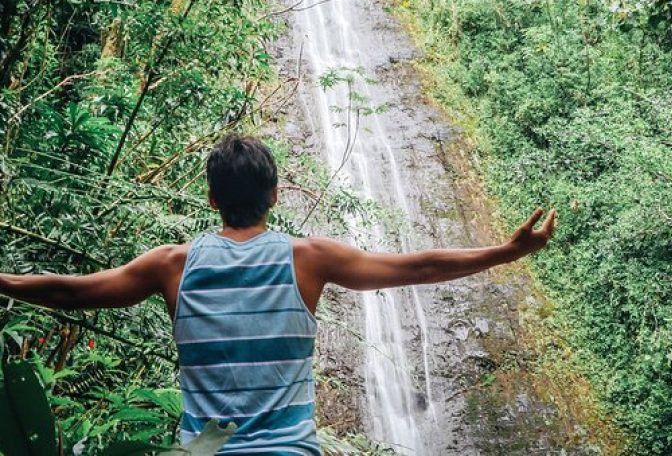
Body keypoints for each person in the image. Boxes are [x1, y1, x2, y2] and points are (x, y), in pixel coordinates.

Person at [0, 134, 557, 455]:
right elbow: (418, 267)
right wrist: (505, 253)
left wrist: (4, 281)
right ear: (276, 194)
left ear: (212, 198)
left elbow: (73, 292)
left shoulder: (172, 265)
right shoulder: (307, 258)